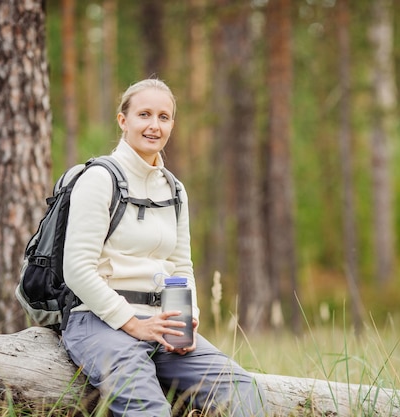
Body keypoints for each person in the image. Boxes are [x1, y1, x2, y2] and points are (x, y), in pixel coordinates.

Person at [61, 78, 267, 416]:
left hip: (162, 325)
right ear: (123, 121)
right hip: (99, 322)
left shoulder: (174, 189)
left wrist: (188, 320)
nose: (154, 126)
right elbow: (77, 270)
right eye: (144, 114)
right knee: (150, 408)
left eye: (164, 117)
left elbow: (180, 267)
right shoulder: (99, 179)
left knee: (242, 390)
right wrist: (133, 324)